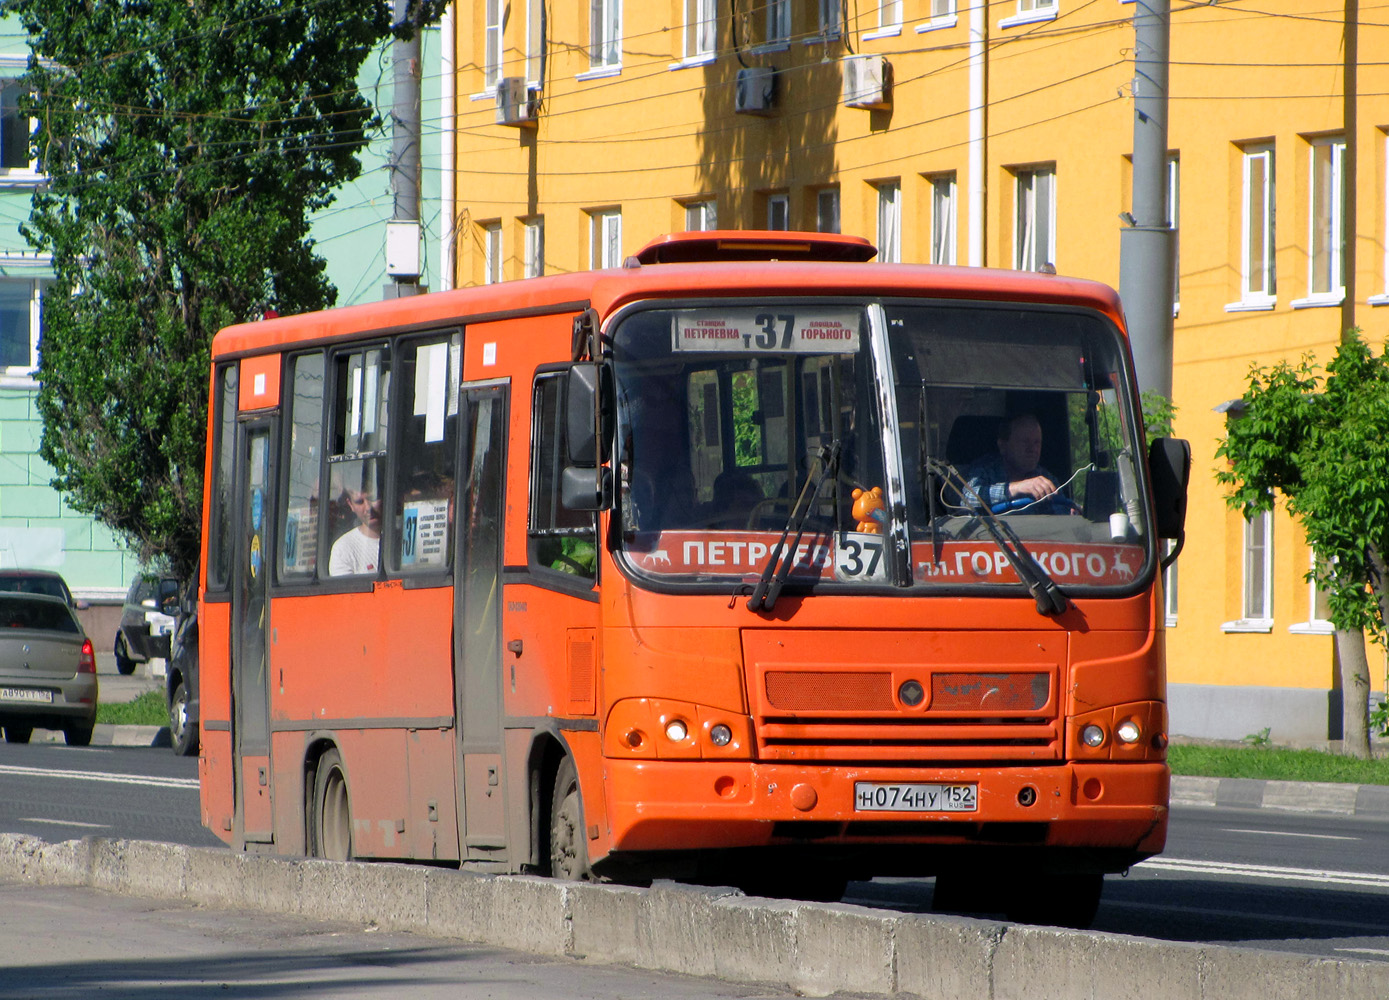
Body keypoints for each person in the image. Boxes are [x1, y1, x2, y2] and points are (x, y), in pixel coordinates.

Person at [962, 412, 1071, 513]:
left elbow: (1060, 513)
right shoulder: (985, 470)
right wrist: (1015, 488)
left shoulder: (1045, 478)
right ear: (1003, 446)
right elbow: (966, 498)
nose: (1032, 449)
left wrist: (1071, 514)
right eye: (1025, 442)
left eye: (1037, 442)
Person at [329, 487, 382, 576]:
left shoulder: (403, 538)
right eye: (359, 502)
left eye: (373, 499)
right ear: (350, 505)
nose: (368, 508)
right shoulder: (343, 548)